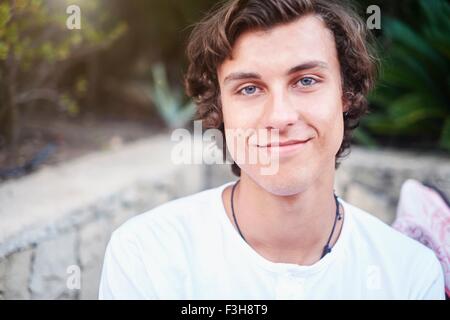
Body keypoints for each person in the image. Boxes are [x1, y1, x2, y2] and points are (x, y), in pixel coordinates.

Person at [99, 0, 445, 299]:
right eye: (249, 89)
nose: (279, 117)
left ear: (346, 94)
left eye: (306, 81)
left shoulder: (409, 275)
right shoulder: (146, 256)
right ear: (220, 109)